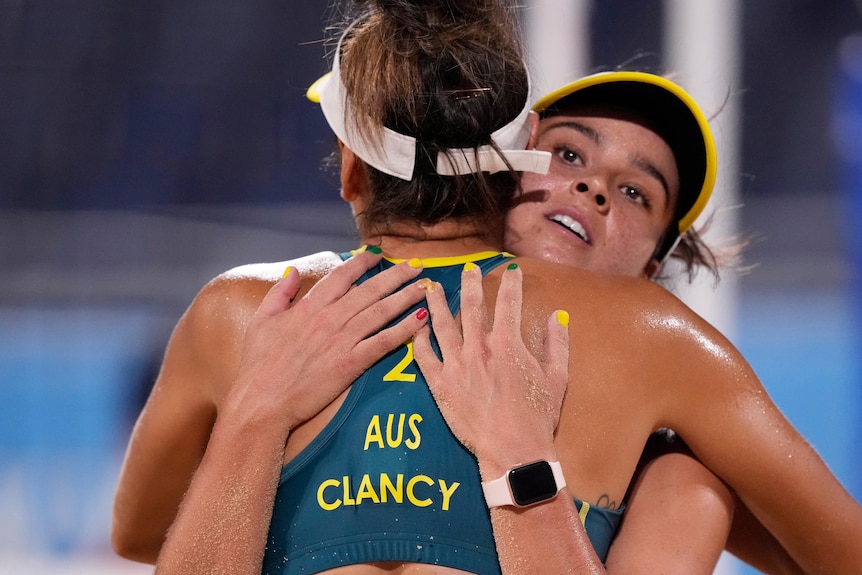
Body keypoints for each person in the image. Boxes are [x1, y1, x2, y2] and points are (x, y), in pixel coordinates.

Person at [111, 1, 862, 574]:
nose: (592, 191)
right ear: (512, 166)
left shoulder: (246, 310)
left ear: (350, 169)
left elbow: (142, 530)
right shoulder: (650, 339)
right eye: (568, 154)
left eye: (637, 194)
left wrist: (256, 419)